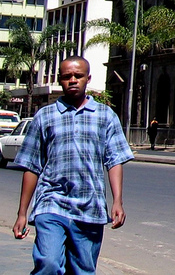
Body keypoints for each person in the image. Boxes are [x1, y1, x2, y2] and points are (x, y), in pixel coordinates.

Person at [11, 56, 134, 275]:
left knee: (83, 270)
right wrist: (22, 212)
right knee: (48, 264)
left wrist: (117, 201)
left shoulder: (105, 116)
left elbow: (114, 160)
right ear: (60, 80)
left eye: (78, 76)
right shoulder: (45, 116)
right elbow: (32, 166)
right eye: (67, 76)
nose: (73, 80)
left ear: (88, 78)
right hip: (51, 203)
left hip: (90, 207)